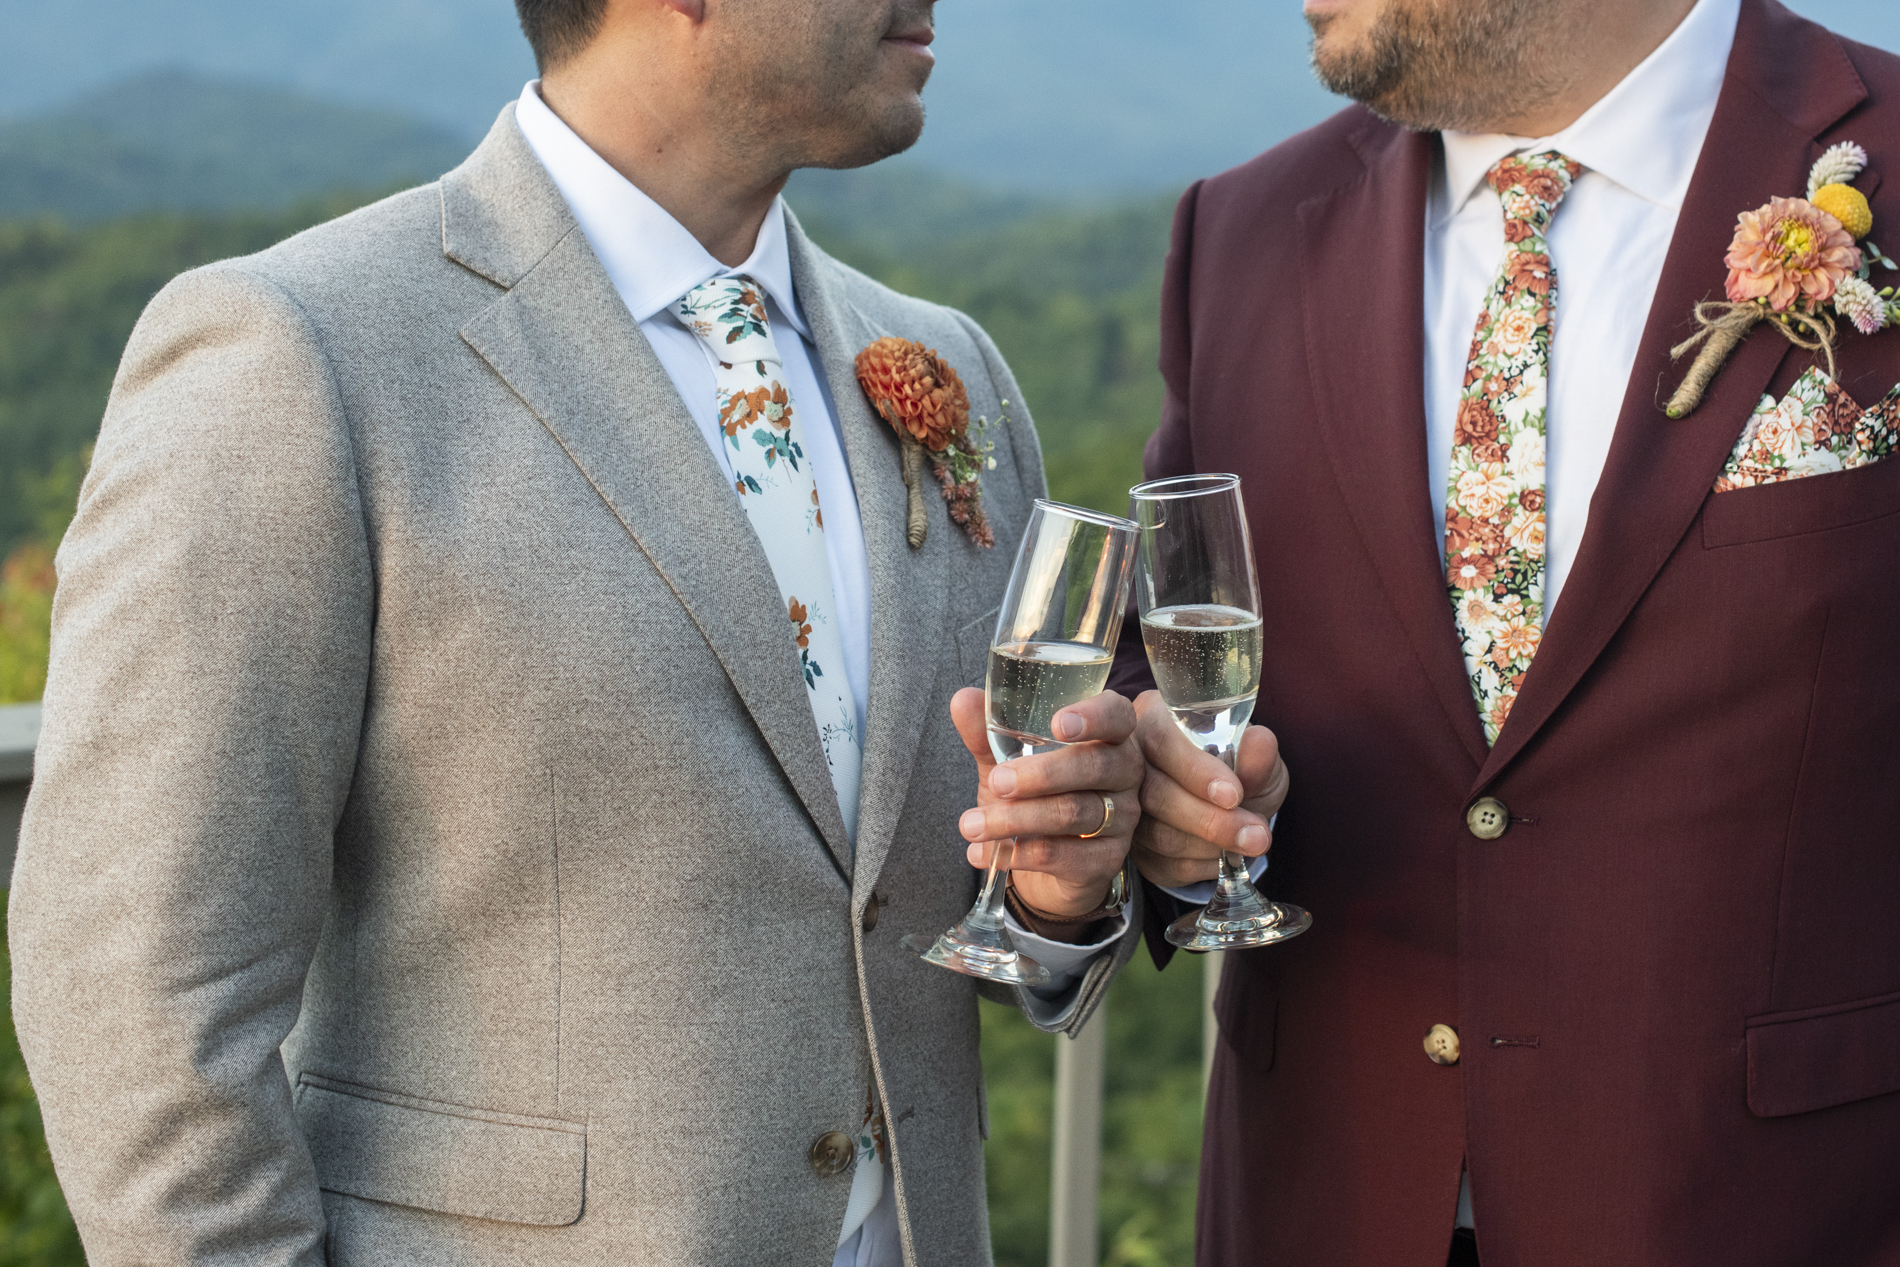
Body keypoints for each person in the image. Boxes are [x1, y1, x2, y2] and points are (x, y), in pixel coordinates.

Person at [7, 1, 1148, 1263]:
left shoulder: (952, 368)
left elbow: (936, 915)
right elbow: (137, 1006)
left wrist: (1054, 902)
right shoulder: (297, 354)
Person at [1114, 0, 1900, 1262]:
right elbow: (1164, 666)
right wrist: (1158, 816)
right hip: (1327, 1201)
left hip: (1776, 1202)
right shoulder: (1238, 232)